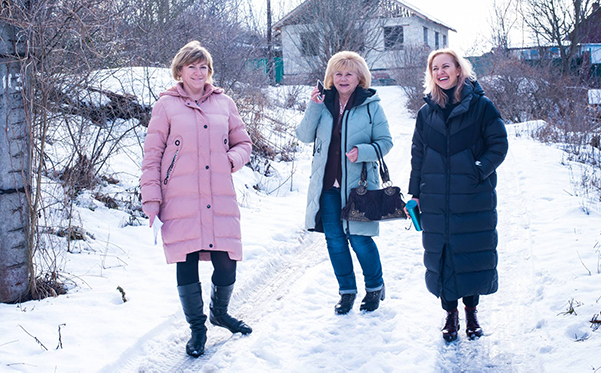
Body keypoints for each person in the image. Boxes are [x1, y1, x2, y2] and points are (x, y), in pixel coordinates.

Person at [140, 41, 253, 357]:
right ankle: (198, 329)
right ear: (179, 71)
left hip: (219, 196)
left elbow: (243, 141)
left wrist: (232, 159)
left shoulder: (224, 102)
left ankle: (220, 312)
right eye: (192, 66)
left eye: (203, 67)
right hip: (180, 197)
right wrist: (151, 198)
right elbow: (152, 155)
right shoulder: (165, 106)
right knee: (186, 263)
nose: (199, 72)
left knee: (226, 262)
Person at [407, 48, 508, 342]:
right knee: (443, 256)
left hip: (472, 195)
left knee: (470, 253)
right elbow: (418, 156)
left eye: (446, 66)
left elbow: (498, 144)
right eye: (435, 68)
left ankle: (471, 311)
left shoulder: (481, 106)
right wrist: (415, 194)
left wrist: (478, 171)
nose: (441, 72)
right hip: (436, 198)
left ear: (459, 69)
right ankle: (450, 314)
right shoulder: (426, 113)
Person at [296, 51, 393, 315]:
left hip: (359, 186)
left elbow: (386, 142)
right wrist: (314, 105)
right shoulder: (323, 103)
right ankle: (347, 292)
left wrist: (363, 152)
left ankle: (374, 287)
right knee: (335, 241)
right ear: (331, 77)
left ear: (360, 76)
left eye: (349, 73)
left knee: (360, 239)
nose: (343, 78)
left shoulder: (371, 104)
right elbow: (304, 136)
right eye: (338, 73)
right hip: (327, 186)